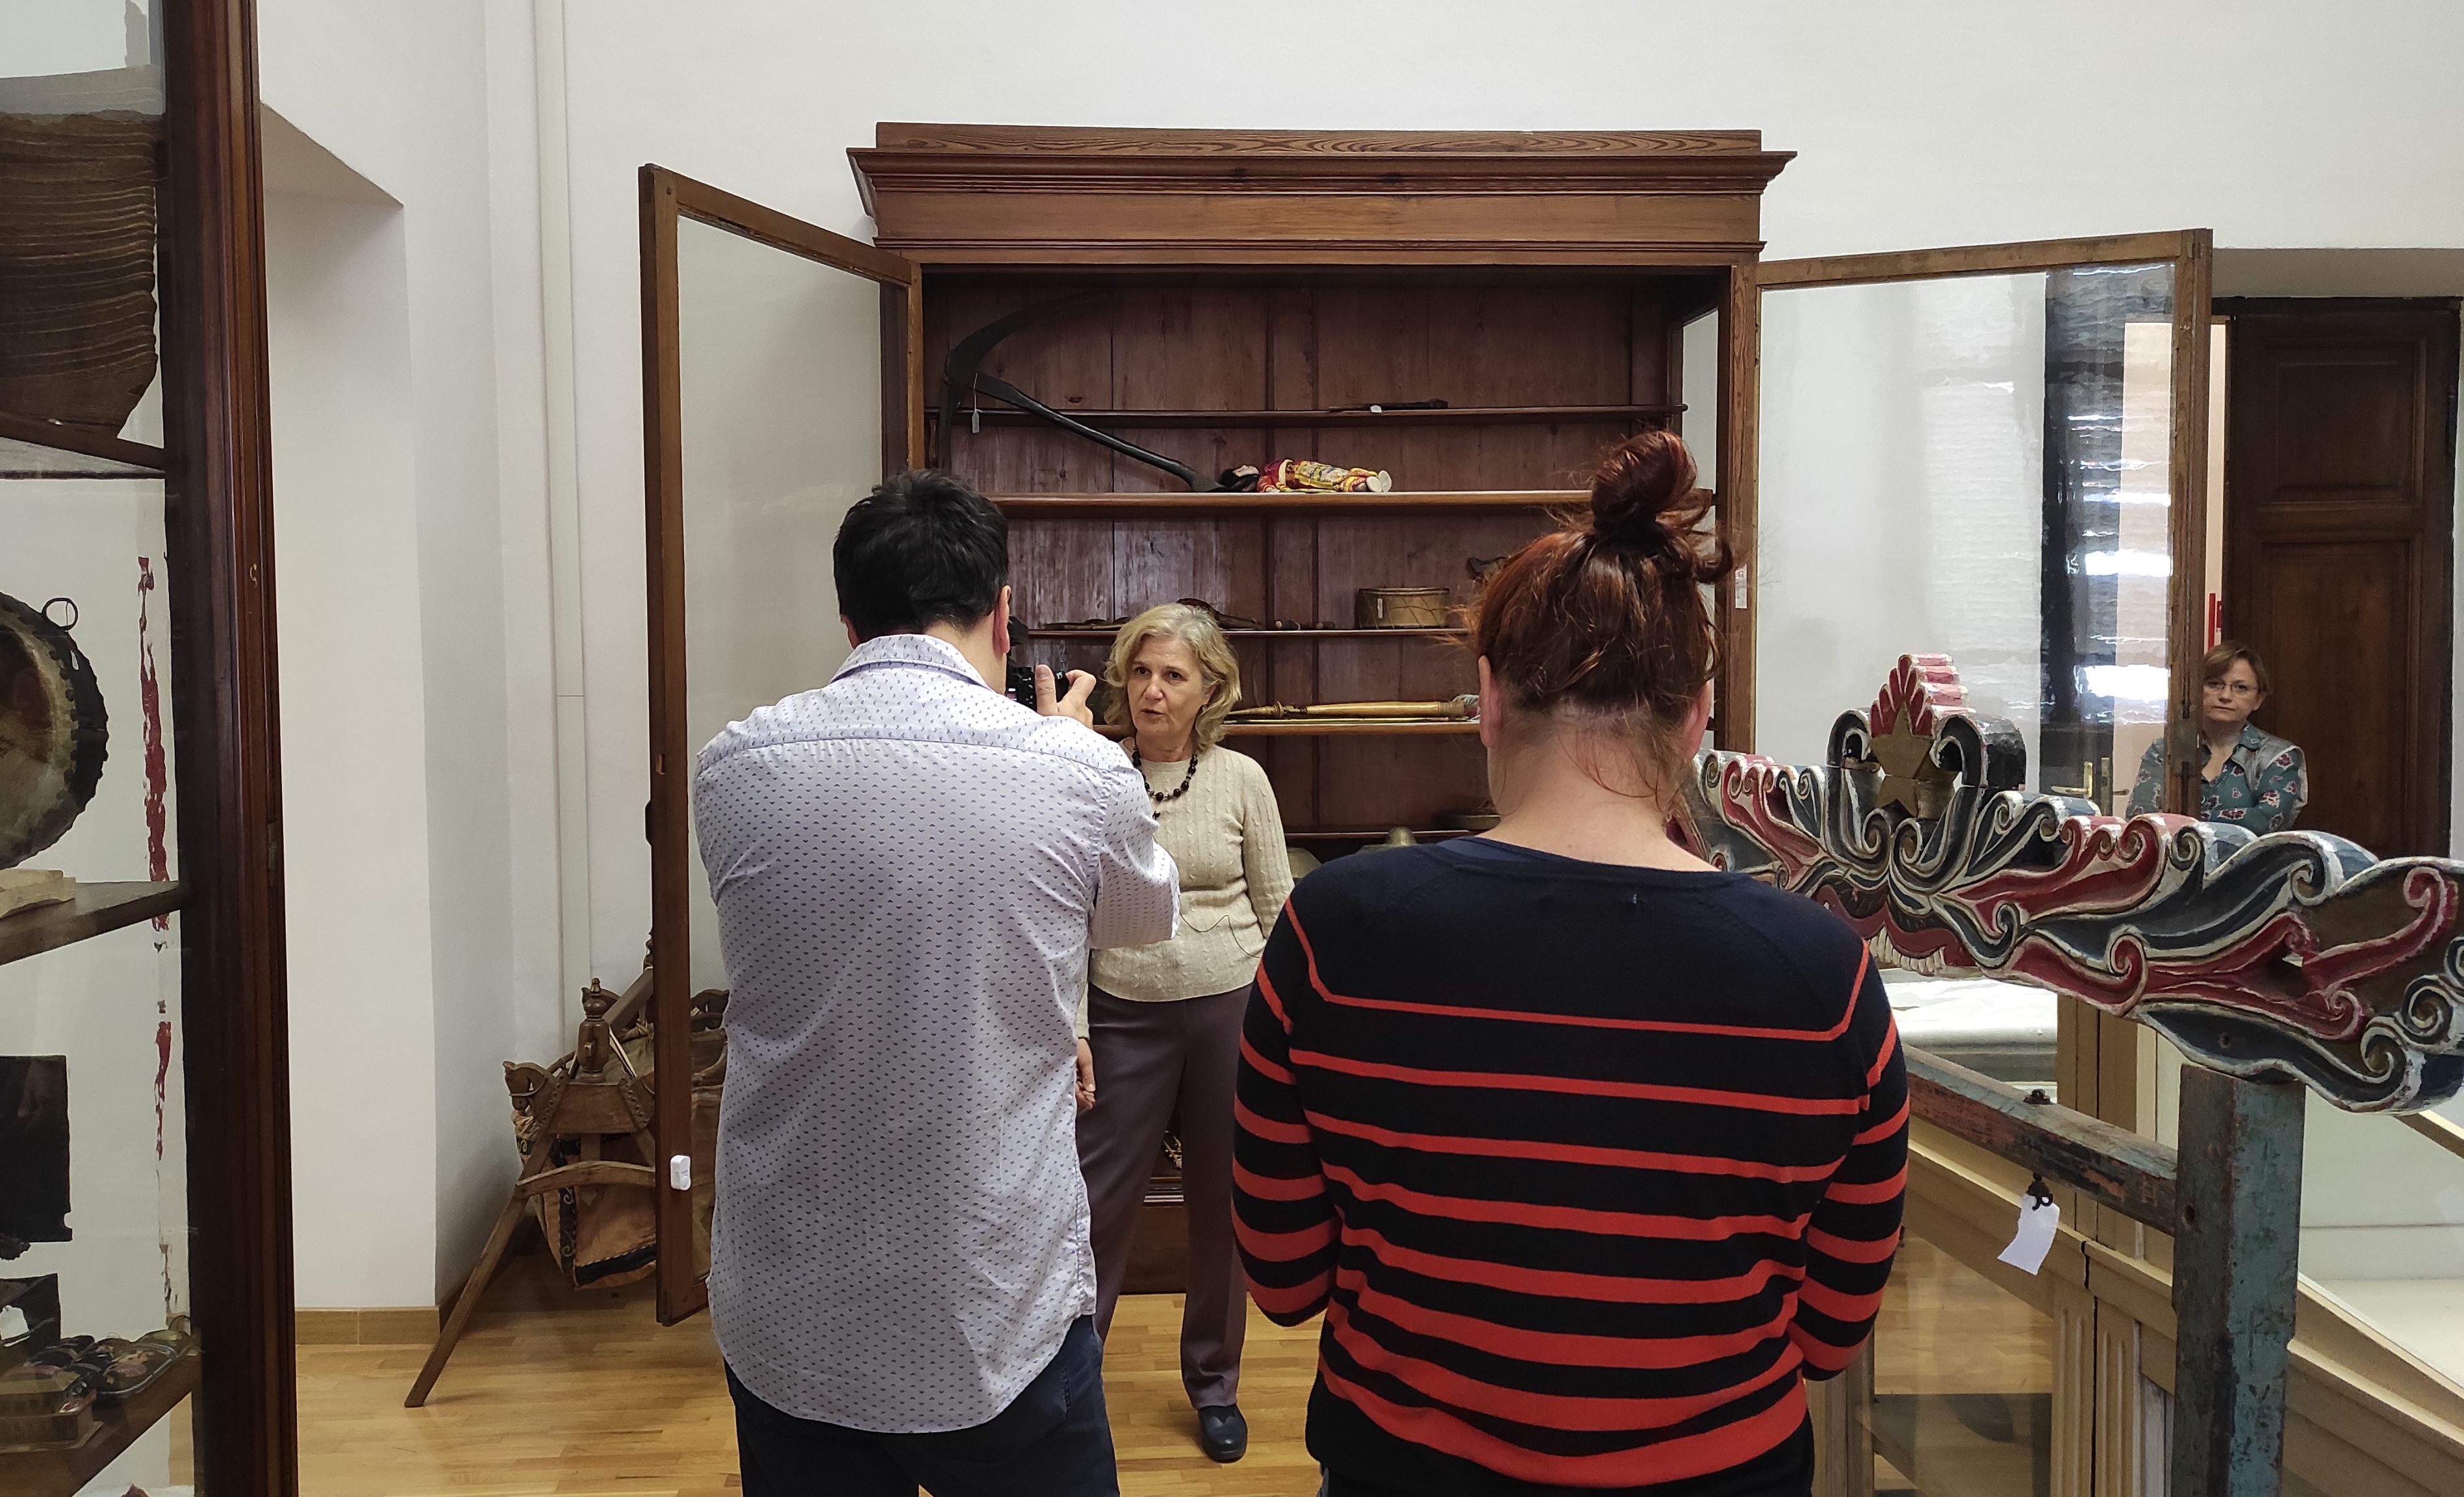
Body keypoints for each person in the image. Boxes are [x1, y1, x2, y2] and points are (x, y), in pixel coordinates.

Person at [1233, 429, 1909, 1496]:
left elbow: (1281, 1274)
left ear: (1490, 697)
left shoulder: (1333, 930)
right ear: (1693, 719)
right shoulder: (1822, 975)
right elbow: (1829, 1329)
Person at [694, 469, 1180, 1496]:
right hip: (994, 1298)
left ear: (847, 615)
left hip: (794, 1299)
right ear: (1005, 614)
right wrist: (1077, 754)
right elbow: (1146, 920)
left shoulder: (734, 766)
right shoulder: (1073, 771)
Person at [1076, 602, 1291, 1464]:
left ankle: (1215, 1385)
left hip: (1228, 1009)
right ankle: (1068, 1384)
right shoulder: (1090, 772)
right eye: (1140, 672)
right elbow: (1067, 913)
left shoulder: (1242, 780)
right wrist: (1075, 1024)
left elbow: (1277, 911)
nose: (1152, 690)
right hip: (1122, 1009)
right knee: (1095, 1209)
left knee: (1221, 1206)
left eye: (1173, 675)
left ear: (1210, 690)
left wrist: (1287, 1037)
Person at [2126, 641, 2306, 834]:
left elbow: (2263, 822)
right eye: (2214, 684)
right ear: (2196, 689)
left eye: (2241, 688)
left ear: (2258, 700)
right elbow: (2141, 818)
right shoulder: (2165, 751)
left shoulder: (2278, 756)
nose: (2226, 696)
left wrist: (2181, 821)